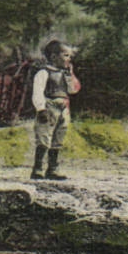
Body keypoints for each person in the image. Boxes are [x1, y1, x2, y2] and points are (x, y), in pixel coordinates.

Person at [30, 40, 80, 179]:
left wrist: (70, 75)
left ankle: (53, 169)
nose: (69, 59)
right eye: (66, 55)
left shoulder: (65, 74)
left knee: (59, 136)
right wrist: (41, 108)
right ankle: (38, 168)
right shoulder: (44, 73)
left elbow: (72, 90)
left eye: (70, 56)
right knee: (44, 136)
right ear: (53, 57)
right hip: (49, 105)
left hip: (63, 106)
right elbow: (38, 91)